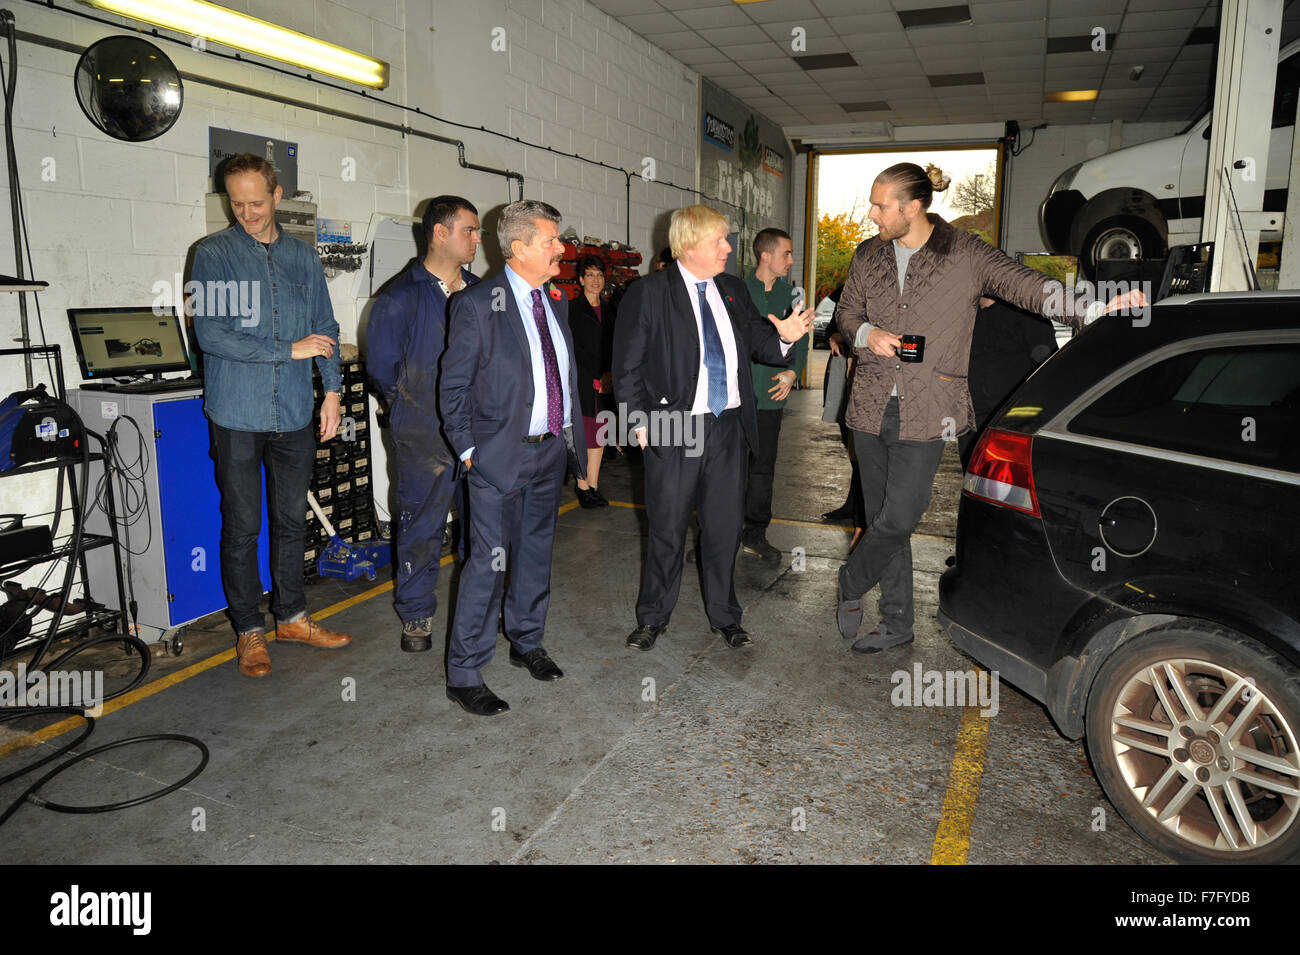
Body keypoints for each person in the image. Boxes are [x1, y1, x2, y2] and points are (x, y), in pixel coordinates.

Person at [834, 162, 1145, 654]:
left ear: (912, 208)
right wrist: (870, 335)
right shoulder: (868, 255)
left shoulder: (965, 253)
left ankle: (850, 583)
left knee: (901, 516)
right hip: (871, 403)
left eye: (880, 205)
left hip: (929, 404)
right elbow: (846, 313)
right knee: (880, 519)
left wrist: (1093, 307)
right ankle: (897, 622)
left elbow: (1028, 286)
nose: (872, 214)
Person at [613, 205, 813, 652]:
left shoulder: (732, 289)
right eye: (719, 241)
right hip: (675, 427)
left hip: (727, 430)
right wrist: (638, 423)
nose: (728, 248)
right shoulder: (648, 293)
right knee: (666, 528)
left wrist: (783, 336)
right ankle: (653, 617)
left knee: (724, 528)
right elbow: (626, 367)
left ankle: (725, 616)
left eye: (727, 240)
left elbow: (756, 341)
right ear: (688, 246)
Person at [192, 153, 351, 678]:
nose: (247, 213)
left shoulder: (304, 259)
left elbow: (324, 326)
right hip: (237, 414)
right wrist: (290, 350)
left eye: (257, 202)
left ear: (277, 196)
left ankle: (292, 617)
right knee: (241, 527)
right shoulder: (211, 254)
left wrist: (332, 393)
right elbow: (211, 334)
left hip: (294, 414)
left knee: (289, 521)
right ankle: (248, 631)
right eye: (236, 204)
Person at [439, 199, 587, 716]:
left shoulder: (554, 300)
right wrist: (471, 451)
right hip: (496, 460)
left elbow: (562, 380)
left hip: (547, 455)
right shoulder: (478, 305)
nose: (561, 249)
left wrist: (575, 444)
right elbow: (452, 388)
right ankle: (465, 671)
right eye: (551, 241)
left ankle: (526, 641)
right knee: (486, 565)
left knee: (534, 554)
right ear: (519, 247)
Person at [366, 195, 481, 651]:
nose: (476, 239)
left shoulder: (481, 293)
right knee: (421, 525)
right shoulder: (399, 297)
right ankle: (416, 614)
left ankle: (477, 607)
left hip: (476, 431)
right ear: (440, 232)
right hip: (423, 433)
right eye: (469, 230)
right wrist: (412, 408)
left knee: (482, 525)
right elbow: (381, 367)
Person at [742, 228, 808, 564]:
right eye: (786, 253)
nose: (791, 260)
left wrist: (793, 372)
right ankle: (718, 534)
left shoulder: (793, 295)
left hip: (771, 397)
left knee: (762, 470)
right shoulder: (737, 291)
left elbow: (804, 340)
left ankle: (754, 534)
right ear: (765, 255)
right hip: (735, 401)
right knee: (728, 470)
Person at [958, 297, 1058, 469]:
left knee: (1003, 484)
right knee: (973, 481)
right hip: (971, 421)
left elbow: (1048, 368)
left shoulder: (1027, 313)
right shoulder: (963, 314)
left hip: (1010, 423)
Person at [569, 254, 616, 508]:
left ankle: (593, 485)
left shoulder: (610, 310)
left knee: (599, 434)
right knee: (582, 434)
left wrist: (609, 375)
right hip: (583, 381)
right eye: (590, 275)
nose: (595, 280)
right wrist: (592, 378)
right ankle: (581, 484)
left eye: (599, 275)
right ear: (580, 279)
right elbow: (574, 350)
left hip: (607, 381)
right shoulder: (572, 310)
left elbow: (615, 346)